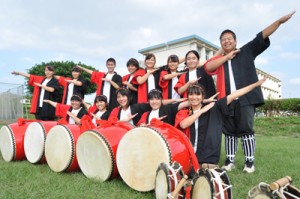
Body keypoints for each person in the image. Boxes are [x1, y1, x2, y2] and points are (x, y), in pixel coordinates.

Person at [204, 11, 295, 173]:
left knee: (246, 130)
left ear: (235, 41)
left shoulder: (246, 51)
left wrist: (279, 22)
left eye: (229, 38)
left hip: (246, 99)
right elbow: (208, 67)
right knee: (229, 132)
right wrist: (226, 57)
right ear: (221, 44)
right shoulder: (219, 61)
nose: (226, 41)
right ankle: (229, 161)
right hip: (227, 100)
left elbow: (261, 36)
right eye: (223, 40)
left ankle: (249, 162)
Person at [175, 78, 266, 169]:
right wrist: (201, 111)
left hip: (207, 158)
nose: (194, 97)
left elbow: (234, 95)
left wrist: (255, 85)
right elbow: (183, 124)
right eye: (191, 94)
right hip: (188, 155)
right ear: (188, 96)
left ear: (203, 97)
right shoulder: (183, 113)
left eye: (198, 94)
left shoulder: (214, 108)